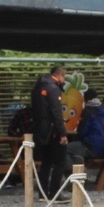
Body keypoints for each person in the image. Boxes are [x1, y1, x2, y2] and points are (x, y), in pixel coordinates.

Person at [29, 63, 68, 196]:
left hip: (39, 129)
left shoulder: (37, 87)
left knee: (46, 162)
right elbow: (56, 112)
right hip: (52, 130)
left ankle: (43, 192)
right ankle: (55, 192)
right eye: (64, 77)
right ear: (60, 75)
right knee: (59, 161)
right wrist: (62, 133)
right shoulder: (53, 88)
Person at [68, 94, 104, 169]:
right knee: (76, 150)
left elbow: (82, 132)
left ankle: (71, 175)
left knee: (64, 149)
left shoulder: (90, 115)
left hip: (92, 148)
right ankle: (77, 160)